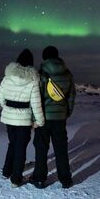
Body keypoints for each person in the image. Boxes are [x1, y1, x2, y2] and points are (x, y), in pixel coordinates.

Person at [30, 46, 76, 189]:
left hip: (43, 118)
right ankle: (66, 180)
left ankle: (39, 178)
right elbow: (71, 96)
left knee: (41, 148)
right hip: (60, 118)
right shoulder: (67, 74)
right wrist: (66, 112)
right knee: (61, 148)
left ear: (45, 57)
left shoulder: (41, 73)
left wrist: (34, 118)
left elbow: (36, 98)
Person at [0, 49, 45, 187]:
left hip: (9, 118)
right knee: (20, 147)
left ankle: (7, 171)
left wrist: (7, 107)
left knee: (12, 143)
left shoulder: (8, 77)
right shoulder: (33, 80)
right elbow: (36, 103)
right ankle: (16, 179)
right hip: (24, 119)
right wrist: (40, 121)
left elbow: (0, 97)